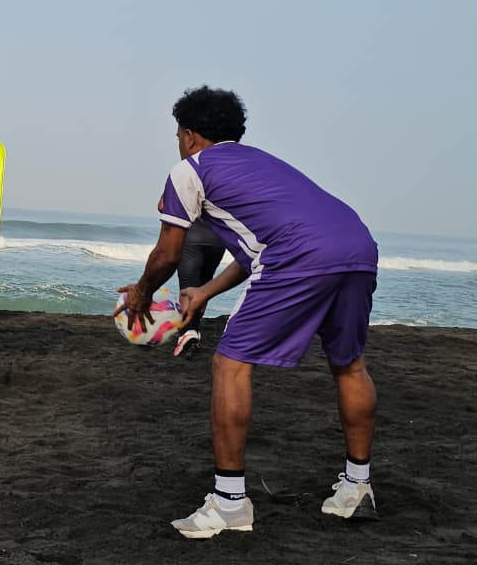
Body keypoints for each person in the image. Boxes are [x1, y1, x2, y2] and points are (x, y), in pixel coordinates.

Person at [115, 85, 379, 539]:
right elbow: (260, 246)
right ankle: (358, 488)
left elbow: (166, 254)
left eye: (178, 134)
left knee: (230, 364)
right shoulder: (266, 164)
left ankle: (229, 502)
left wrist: (141, 293)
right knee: (349, 364)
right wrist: (205, 293)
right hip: (357, 244)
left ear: (190, 135)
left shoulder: (189, 170)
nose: (178, 142)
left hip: (301, 253)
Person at [170, 218, 226, 357]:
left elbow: (162, 205)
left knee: (187, 286)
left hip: (191, 235)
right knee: (204, 284)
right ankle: (194, 328)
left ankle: (187, 331)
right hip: (218, 239)